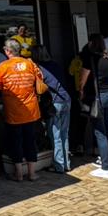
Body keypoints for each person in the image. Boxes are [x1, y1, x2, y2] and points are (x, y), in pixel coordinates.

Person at [0, 40, 45, 181]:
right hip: (31, 111)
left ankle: (19, 174)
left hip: (13, 111)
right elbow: (40, 79)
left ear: (7, 51)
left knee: (15, 142)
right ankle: (32, 173)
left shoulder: (3, 66)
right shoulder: (30, 63)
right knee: (30, 141)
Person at [79, 32, 108, 179]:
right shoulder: (107, 58)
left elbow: (82, 80)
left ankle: (106, 167)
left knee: (100, 132)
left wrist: (81, 91)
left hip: (97, 97)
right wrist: (107, 81)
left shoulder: (90, 59)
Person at [36, 45, 73, 173]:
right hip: (66, 99)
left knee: (55, 135)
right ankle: (66, 163)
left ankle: (59, 165)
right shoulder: (55, 65)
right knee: (64, 134)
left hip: (54, 102)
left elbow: (39, 88)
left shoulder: (39, 68)